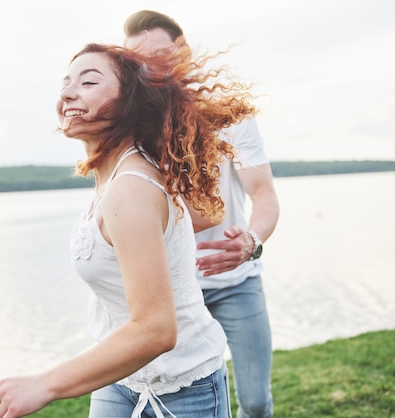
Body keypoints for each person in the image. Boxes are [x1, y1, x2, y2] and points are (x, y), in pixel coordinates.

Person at [0, 42, 259, 417]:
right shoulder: (115, 177)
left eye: (88, 82)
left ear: (129, 102)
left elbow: (157, 329)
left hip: (183, 388)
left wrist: (43, 384)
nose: (68, 92)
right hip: (122, 378)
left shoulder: (131, 188)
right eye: (66, 83)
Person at [123, 10, 280, 418]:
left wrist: (252, 242)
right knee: (166, 401)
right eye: (139, 61)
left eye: (161, 56)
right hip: (171, 294)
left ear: (184, 54)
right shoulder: (130, 130)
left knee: (258, 403)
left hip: (236, 283)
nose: (152, 68)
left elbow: (263, 195)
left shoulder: (231, 117)